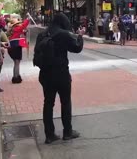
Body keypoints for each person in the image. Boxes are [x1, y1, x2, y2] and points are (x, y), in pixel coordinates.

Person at [35, 13, 84, 144]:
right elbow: (76, 48)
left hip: (46, 75)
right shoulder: (63, 34)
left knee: (48, 103)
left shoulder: (42, 35)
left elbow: (37, 55)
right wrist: (80, 36)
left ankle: (49, 134)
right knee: (65, 102)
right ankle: (67, 132)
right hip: (61, 73)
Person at [7, 14, 30, 84]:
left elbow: (21, 32)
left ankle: (16, 76)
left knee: (16, 63)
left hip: (12, 47)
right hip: (16, 47)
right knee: (17, 63)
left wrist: (24, 32)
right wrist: (28, 19)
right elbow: (24, 25)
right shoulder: (17, 28)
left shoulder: (13, 29)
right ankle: (16, 77)